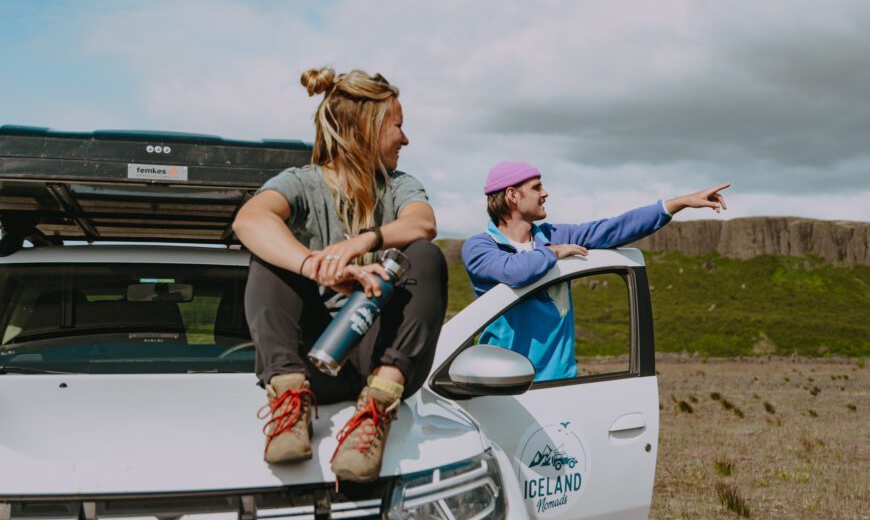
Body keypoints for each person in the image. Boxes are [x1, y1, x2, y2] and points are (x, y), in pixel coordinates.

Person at [233, 68, 447, 483]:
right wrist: (318, 267)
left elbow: (423, 223)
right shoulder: (301, 184)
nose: (405, 139)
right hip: (314, 358)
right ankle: (289, 400)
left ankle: (375, 413)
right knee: (270, 256)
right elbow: (249, 220)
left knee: (425, 255)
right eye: (398, 126)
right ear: (367, 129)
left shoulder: (399, 185)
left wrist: (359, 243)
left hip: (379, 358)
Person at [461, 161, 729, 381]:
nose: (545, 193)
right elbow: (513, 272)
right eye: (536, 187)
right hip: (500, 387)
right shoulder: (480, 247)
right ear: (512, 195)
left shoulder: (554, 234)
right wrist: (553, 253)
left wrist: (677, 203)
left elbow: (613, 229)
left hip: (559, 384)